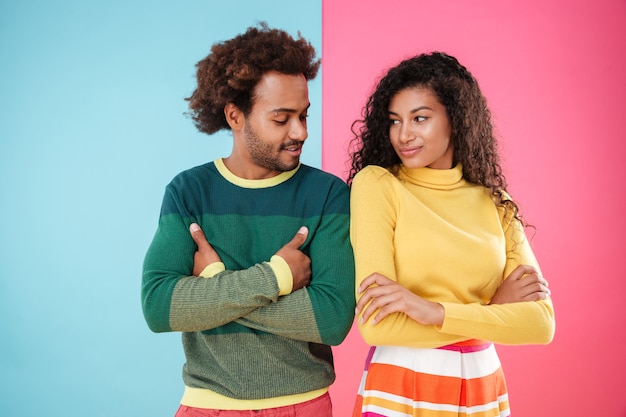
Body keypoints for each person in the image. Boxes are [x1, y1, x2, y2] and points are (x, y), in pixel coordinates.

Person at [141, 23, 355, 417]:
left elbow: (331, 318)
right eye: (281, 119)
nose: (300, 132)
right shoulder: (188, 191)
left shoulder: (327, 194)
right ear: (235, 116)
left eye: (304, 116)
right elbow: (158, 306)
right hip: (207, 407)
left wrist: (213, 287)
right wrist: (276, 278)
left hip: (303, 407)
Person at [347, 52, 555, 417]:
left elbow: (540, 324)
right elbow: (378, 327)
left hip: (482, 385)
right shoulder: (378, 185)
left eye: (420, 118)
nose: (403, 135)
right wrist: (492, 313)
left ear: (455, 120)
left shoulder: (495, 203)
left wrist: (432, 311)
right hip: (403, 384)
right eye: (395, 121)